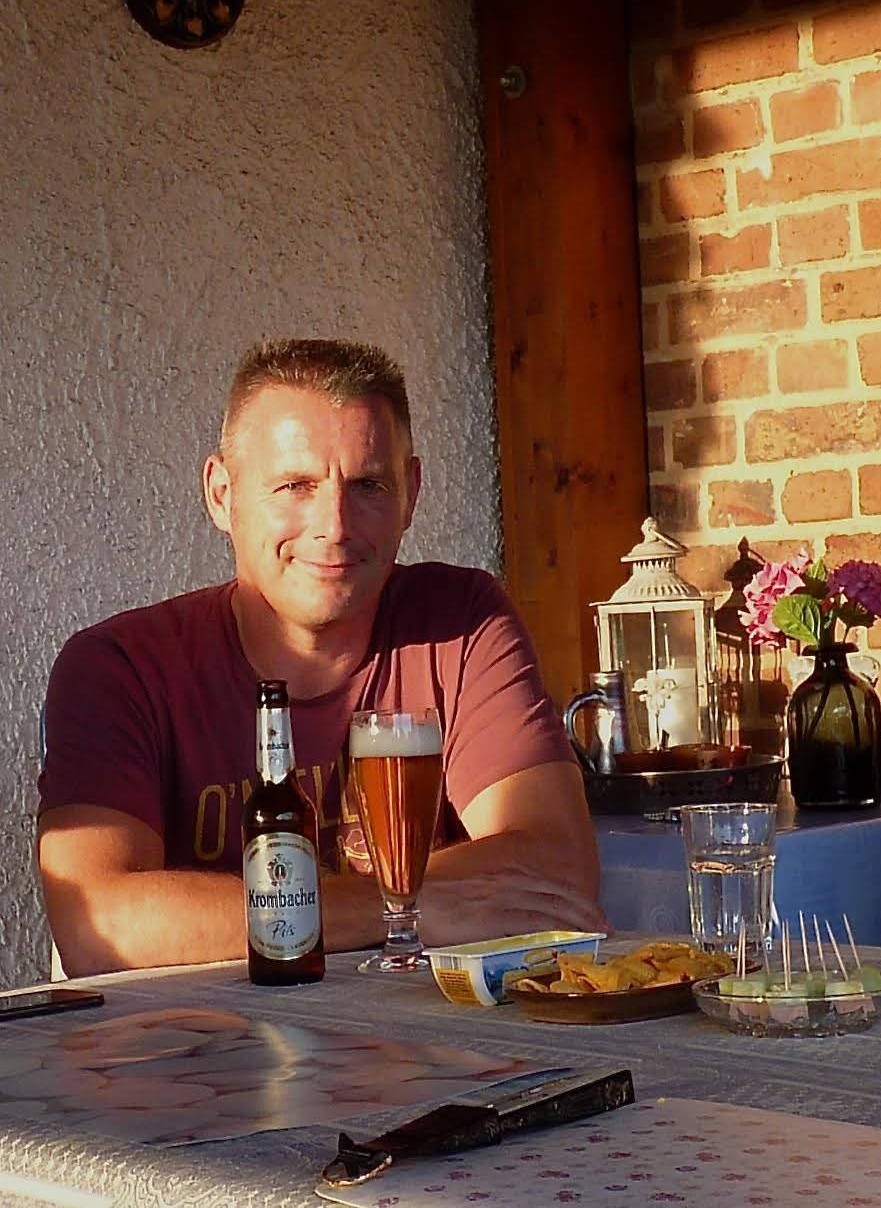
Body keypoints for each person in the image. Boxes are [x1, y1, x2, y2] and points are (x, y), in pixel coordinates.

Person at [38, 339, 604, 977]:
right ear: (222, 494)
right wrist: (398, 912)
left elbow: (557, 868)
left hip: (426, 1036)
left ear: (412, 493)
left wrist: (223, 918)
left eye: (368, 485)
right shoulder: (120, 667)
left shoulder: (460, 621)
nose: (334, 525)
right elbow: (99, 925)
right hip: (208, 1037)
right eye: (294, 486)